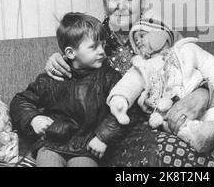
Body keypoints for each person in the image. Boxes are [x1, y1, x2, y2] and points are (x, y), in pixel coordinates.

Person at [44, 0, 214, 167]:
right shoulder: (95, 38)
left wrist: (203, 93)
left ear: (142, 1)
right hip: (123, 128)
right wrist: (57, 59)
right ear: (104, 1)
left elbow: (196, 66)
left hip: (176, 113)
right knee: (168, 153)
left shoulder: (158, 31)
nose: (121, 4)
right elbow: (73, 76)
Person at [108, 18, 214, 166]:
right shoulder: (142, 65)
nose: (138, 42)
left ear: (161, 33)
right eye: (135, 41)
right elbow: (128, 84)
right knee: (180, 127)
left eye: (142, 36)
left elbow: (212, 67)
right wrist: (119, 99)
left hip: (203, 104)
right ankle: (200, 137)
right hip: (168, 114)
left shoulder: (187, 49)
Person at [10, 13, 129, 167]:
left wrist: (103, 137)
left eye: (103, 45)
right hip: (51, 144)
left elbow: (124, 109)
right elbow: (20, 101)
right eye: (94, 46)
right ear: (71, 53)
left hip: (87, 147)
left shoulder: (109, 77)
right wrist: (34, 118)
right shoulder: (52, 77)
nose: (102, 51)